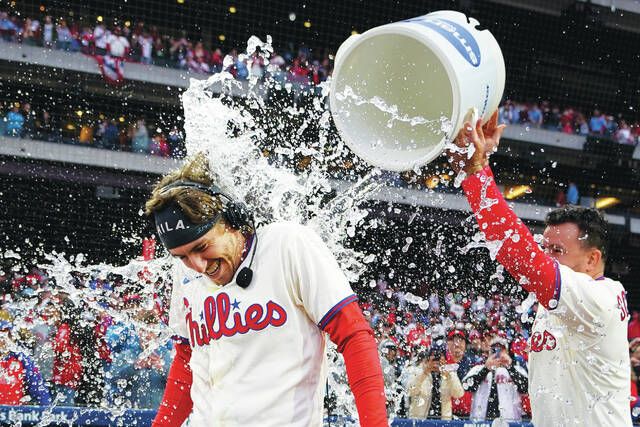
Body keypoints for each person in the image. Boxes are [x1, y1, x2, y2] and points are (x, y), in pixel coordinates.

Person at [145, 153, 387, 426]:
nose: (197, 265)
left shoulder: (288, 245)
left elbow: (354, 336)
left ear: (231, 220)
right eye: (182, 256)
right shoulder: (186, 275)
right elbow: (188, 361)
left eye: (202, 247)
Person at [447, 110, 632, 425]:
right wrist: (474, 166)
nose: (546, 257)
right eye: (545, 247)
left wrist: (477, 171)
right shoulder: (565, 299)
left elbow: (519, 253)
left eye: (557, 250)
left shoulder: (599, 298)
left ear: (592, 259)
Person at [462, 332, 528, 421]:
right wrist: (485, 369)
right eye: (494, 349)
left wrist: (510, 367)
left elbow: (526, 388)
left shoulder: (517, 369)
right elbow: (466, 387)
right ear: (489, 352)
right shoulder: (478, 368)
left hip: (510, 422)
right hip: (481, 422)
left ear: (507, 351)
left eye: (501, 349)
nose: (498, 353)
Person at [0, 320, 51, 406]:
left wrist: (47, 409)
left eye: (6, 335)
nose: (3, 340)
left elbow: (39, 389)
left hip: (15, 414)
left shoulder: (22, 359)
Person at [407, 346, 464, 420]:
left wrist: (449, 376)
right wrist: (425, 372)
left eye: (439, 357)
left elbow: (458, 394)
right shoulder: (418, 371)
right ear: (428, 359)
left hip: (443, 422)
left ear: (445, 360)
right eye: (434, 358)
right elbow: (409, 391)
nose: (437, 362)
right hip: (419, 422)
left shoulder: (450, 373)